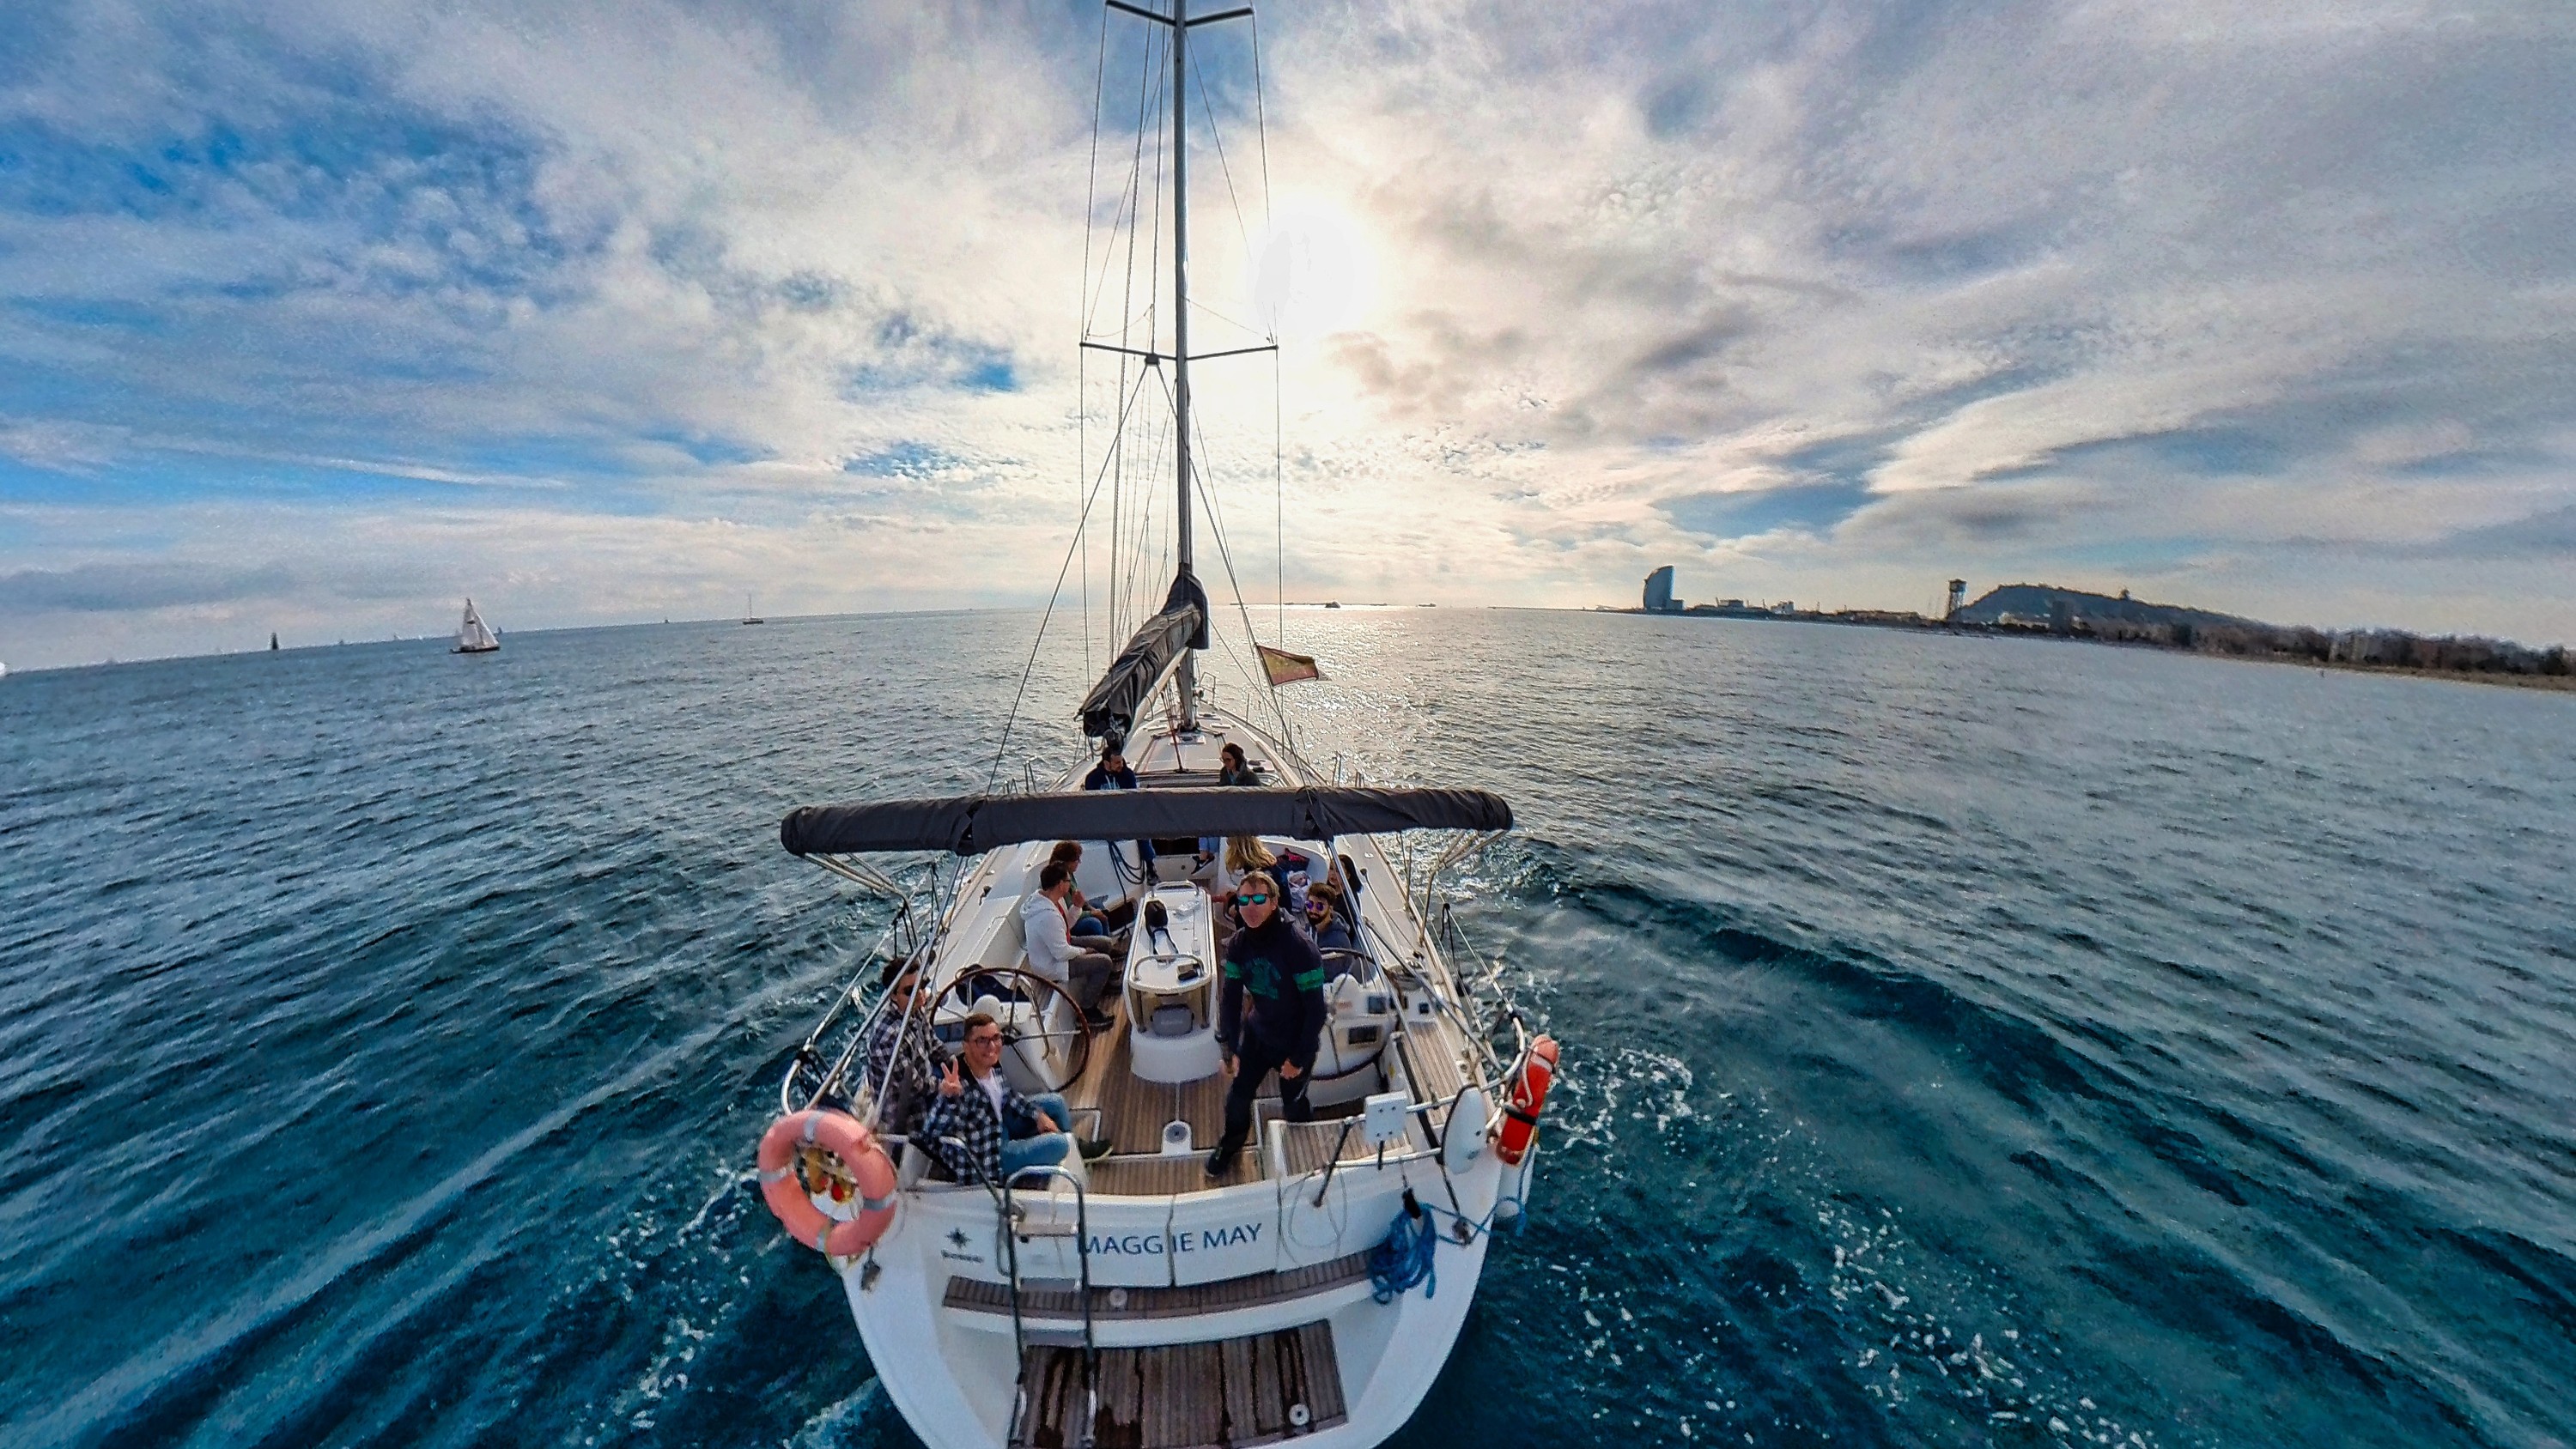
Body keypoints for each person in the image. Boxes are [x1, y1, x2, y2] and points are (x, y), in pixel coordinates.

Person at [1206, 870, 1329, 1178]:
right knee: (1237, 1098)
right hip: (1259, 1036)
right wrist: (1229, 1049)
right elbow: (1231, 999)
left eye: (1259, 898)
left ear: (1274, 902)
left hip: (1294, 1041)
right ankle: (1231, 1144)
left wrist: (1297, 1059)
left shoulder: (1299, 948)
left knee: (1293, 1105)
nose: (1250, 906)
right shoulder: (1237, 944)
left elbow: (1316, 1011)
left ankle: (1304, 1145)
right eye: (1244, 899)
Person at [920, 1012, 1111, 1185]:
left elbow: (1009, 1097)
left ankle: (1074, 1152)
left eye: (996, 1038)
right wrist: (946, 1098)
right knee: (1059, 1145)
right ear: (966, 1046)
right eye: (982, 1041)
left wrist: (1038, 1116)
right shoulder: (958, 1088)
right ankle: (1060, 1152)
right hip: (991, 1158)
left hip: (999, 1125)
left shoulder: (992, 1066)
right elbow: (930, 1132)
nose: (992, 1046)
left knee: (1055, 1102)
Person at [1021, 861, 1119, 1025]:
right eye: (1068, 881)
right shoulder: (1047, 916)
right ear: (1060, 884)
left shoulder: (1052, 900)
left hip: (1061, 947)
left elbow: (1066, 925)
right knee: (1104, 962)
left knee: (1105, 944)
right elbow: (1062, 953)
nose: (1070, 884)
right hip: (1052, 964)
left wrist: (1077, 906)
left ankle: (1102, 984)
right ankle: (1087, 1012)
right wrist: (1084, 951)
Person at [859, 967, 939, 1134]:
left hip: (926, 1084)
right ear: (893, 996)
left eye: (921, 985)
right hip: (907, 1113)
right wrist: (944, 1087)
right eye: (910, 990)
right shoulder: (888, 1038)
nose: (919, 993)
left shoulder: (914, 1007)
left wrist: (952, 1060)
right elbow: (914, 1087)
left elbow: (932, 1042)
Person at [1081, 742, 1152, 869]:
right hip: (1102, 818)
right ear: (1107, 763)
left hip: (1124, 816)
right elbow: (1091, 804)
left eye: (1122, 761)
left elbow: (1133, 800)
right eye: (1117, 763)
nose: (1122, 765)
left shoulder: (1128, 775)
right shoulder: (1093, 779)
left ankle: (1150, 866)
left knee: (1142, 830)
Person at [1303, 883, 1356, 959]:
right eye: (1310, 904)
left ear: (1330, 909)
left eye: (1320, 906)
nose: (1313, 910)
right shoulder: (1311, 927)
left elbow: (1321, 969)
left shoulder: (1338, 943)